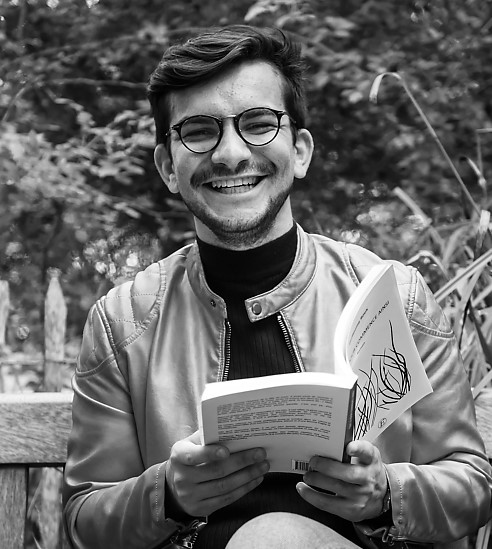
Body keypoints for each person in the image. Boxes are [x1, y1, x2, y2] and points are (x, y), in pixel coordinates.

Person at [62, 25, 491, 549]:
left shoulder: (394, 297)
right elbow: (84, 518)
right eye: (198, 131)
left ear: (301, 151)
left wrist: (385, 494)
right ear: (168, 167)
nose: (230, 153)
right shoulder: (122, 323)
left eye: (259, 124)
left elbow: (472, 485)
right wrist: (168, 494)